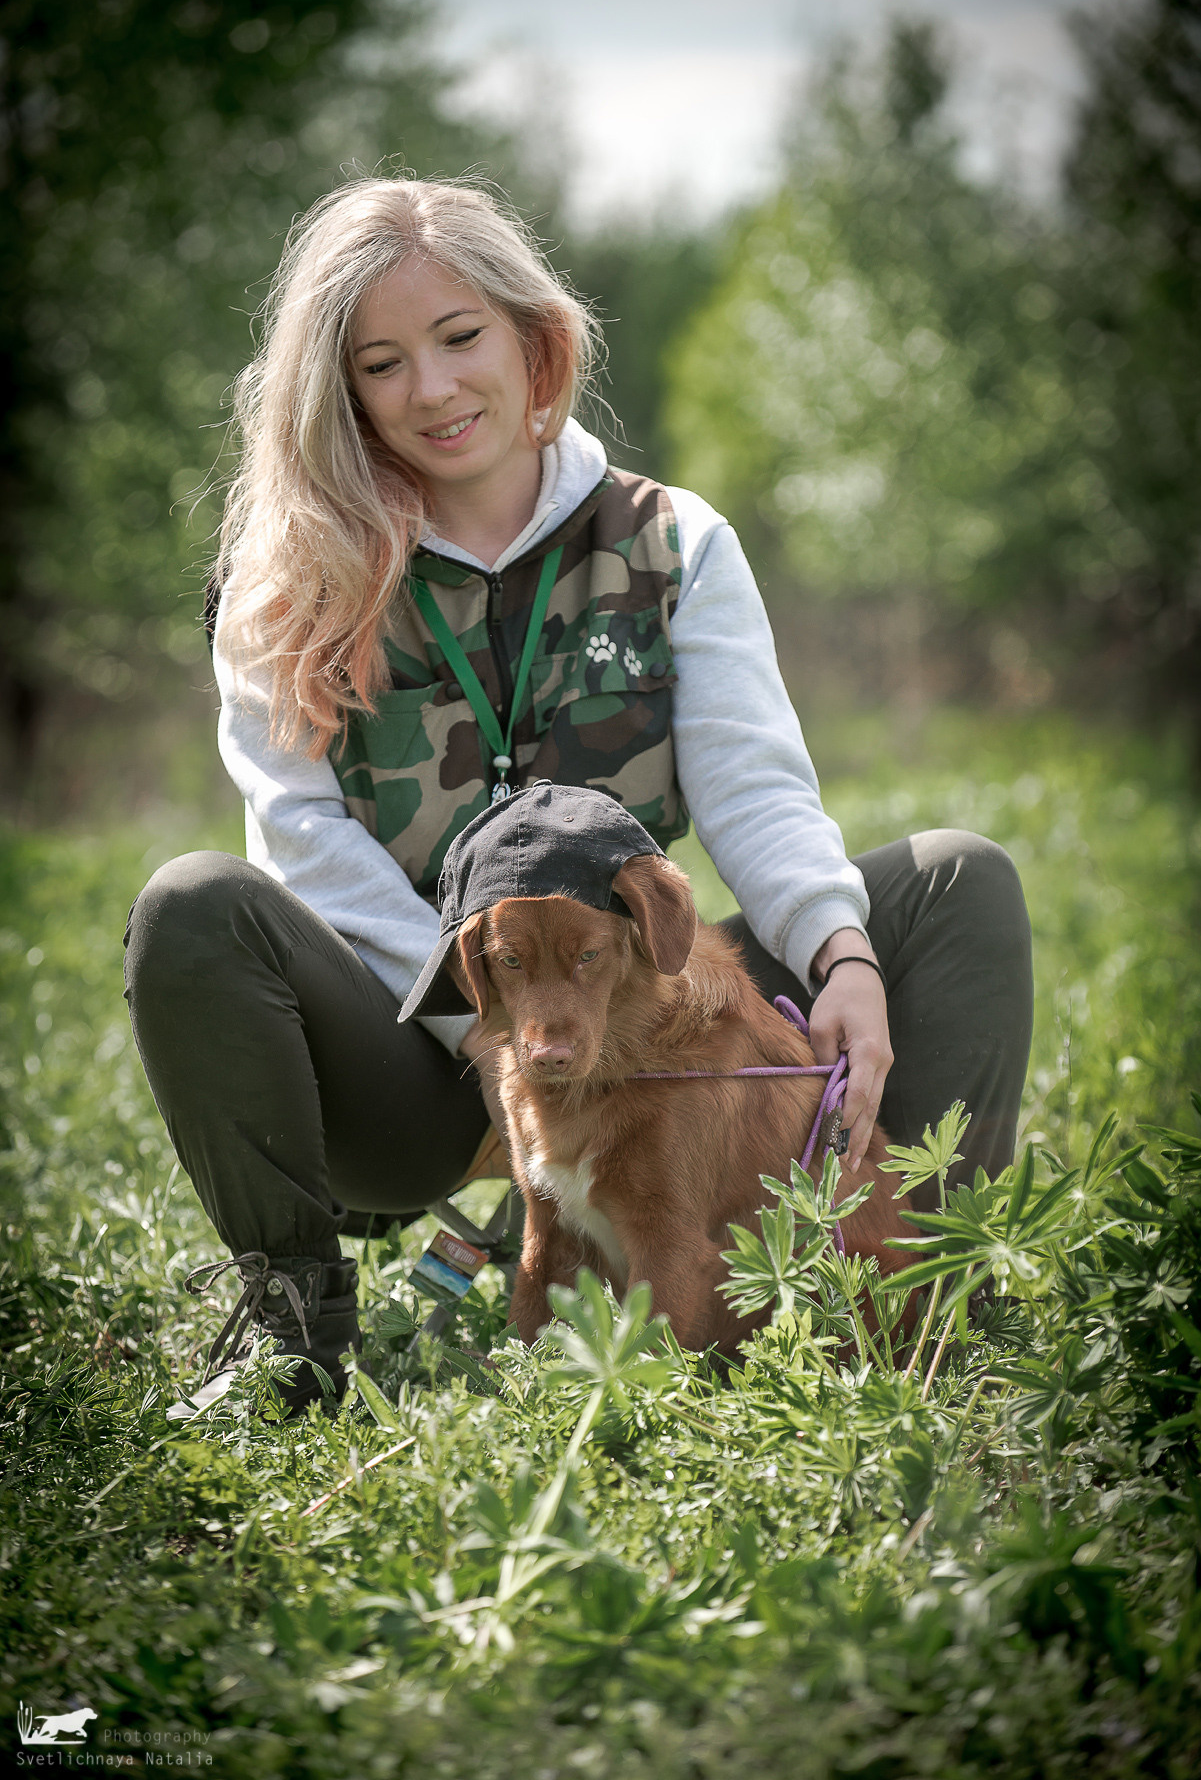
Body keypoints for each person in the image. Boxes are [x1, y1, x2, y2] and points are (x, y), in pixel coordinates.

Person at [124, 176, 1033, 1414]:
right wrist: (491, 1032)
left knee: (953, 878)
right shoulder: (286, 581)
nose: (434, 390)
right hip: (421, 1052)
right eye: (383, 364)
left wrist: (841, 956)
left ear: (530, 337)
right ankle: (289, 1334)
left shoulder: (674, 542)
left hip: (634, 1034)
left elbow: (751, 784)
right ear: (338, 394)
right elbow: (302, 847)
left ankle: (925, 1309)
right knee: (193, 903)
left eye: (459, 339)